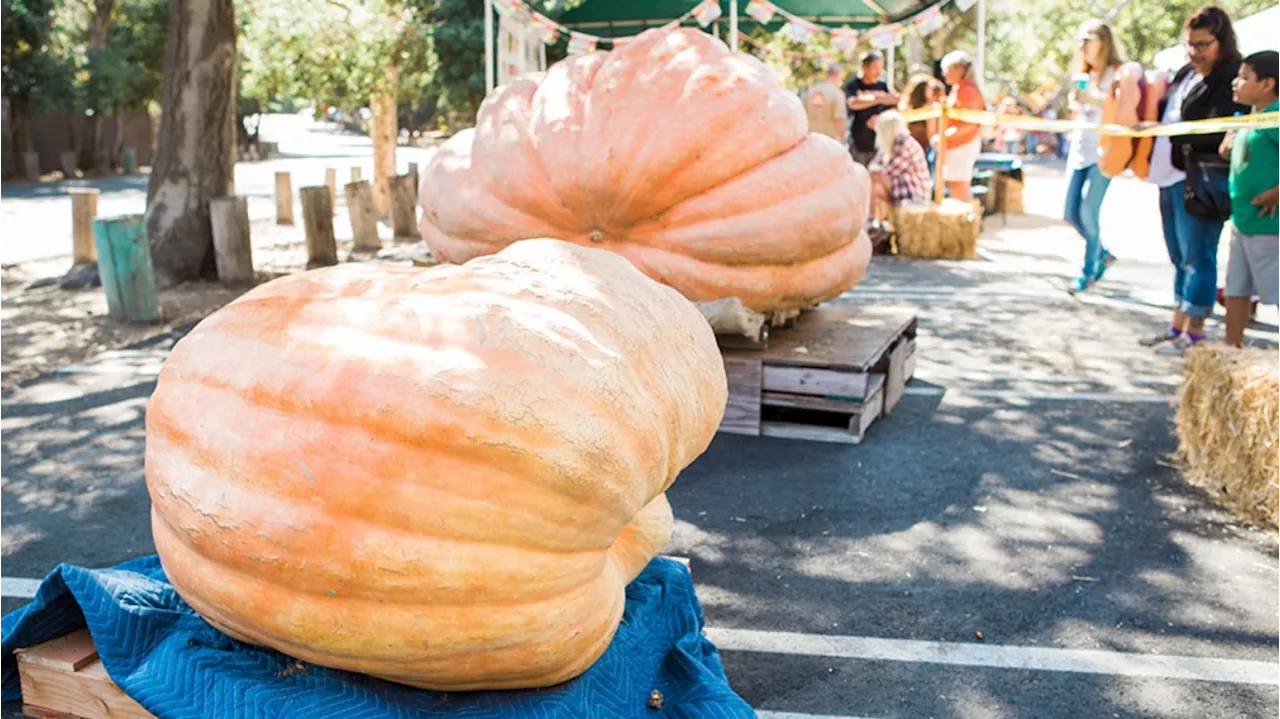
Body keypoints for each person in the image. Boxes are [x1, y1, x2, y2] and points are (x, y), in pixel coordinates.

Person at [1138, 6, 1248, 354]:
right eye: (1191, 44)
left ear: (1221, 41)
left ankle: (1195, 333)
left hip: (1202, 180)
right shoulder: (1186, 73)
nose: (1195, 52)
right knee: (1178, 255)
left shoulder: (1231, 75)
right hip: (1170, 175)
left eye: (1203, 45)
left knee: (1198, 256)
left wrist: (1173, 133)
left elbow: (1221, 131)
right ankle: (1177, 325)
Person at [1222, 50, 1280, 348]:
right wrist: (1228, 146)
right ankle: (1232, 351)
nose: (1236, 82)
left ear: (1268, 83)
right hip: (1241, 219)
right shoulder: (1249, 117)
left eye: (1245, 77)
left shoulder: (1276, 117)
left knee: (1277, 290)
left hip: (1269, 225)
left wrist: (1277, 192)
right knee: (1236, 288)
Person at [1062, 19, 1124, 293]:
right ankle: (1102, 254)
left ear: (1104, 41)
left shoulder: (1119, 73)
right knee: (1070, 212)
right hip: (1080, 149)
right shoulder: (1087, 74)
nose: (1082, 45)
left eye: (1088, 39)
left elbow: (1121, 108)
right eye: (1080, 40)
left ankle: (1089, 271)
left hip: (1104, 152)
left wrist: (1092, 99)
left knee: (1089, 211)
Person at [867, 110, 932, 228]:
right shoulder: (890, 144)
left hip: (912, 196)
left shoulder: (903, 142)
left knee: (876, 183)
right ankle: (876, 225)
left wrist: (871, 174)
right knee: (876, 185)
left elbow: (886, 172)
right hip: (898, 191)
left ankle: (872, 223)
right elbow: (875, 166)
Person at [936, 50, 985, 202]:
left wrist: (944, 136)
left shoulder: (968, 91)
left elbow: (968, 124)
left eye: (948, 70)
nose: (945, 74)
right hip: (955, 145)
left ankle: (969, 221)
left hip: (963, 145)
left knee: (959, 187)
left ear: (959, 70)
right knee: (955, 186)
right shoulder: (959, 90)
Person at [845, 51, 899, 166]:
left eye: (880, 67)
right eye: (875, 68)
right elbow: (853, 103)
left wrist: (878, 116)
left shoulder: (882, 85)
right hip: (857, 141)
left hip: (879, 141)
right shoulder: (853, 84)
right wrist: (878, 98)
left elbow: (894, 101)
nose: (878, 72)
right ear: (864, 68)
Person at [901, 72, 946, 158]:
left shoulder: (905, 107)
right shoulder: (929, 109)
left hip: (908, 149)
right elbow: (931, 135)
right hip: (922, 150)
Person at [804, 65, 849, 146]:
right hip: (830, 143)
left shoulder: (810, 91)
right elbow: (840, 119)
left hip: (810, 142)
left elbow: (802, 115)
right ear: (839, 75)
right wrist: (843, 141)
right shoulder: (837, 93)